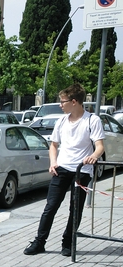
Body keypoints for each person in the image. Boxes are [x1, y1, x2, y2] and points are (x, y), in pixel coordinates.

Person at [24, 84, 104, 257]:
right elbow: (54, 145)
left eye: (63, 101)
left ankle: (68, 243)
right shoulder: (61, 121)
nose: (60, 105)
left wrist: (94, 156)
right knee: (50, 206)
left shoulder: (92, 120)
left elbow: (100, 146)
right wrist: (53, 162)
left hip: (81, 171)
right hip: (62, 169)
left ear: (74, 102)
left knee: (75, 210)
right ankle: (39, 242)